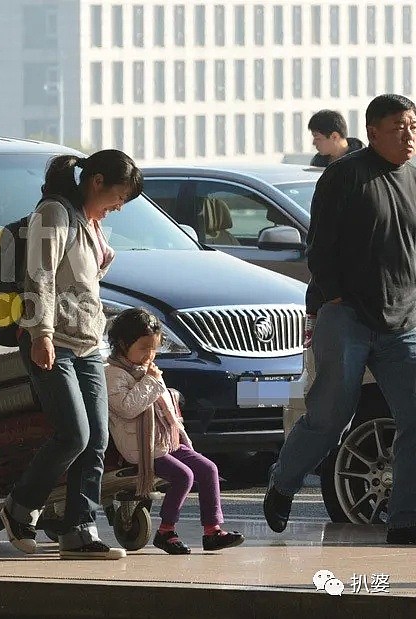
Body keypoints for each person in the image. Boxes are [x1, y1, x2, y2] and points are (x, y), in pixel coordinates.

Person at [265, 94, 416, 545]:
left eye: (413, 126)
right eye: (398, 127)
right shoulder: (345, 175)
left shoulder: (413, 176)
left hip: (403, 320)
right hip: (346, 314)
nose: (408, 135)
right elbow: (321, 245)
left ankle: (404, 517)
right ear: (371, 132)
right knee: (330, 417)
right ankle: (283, 483)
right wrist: (330, 296)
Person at [0, 149, 142, 560]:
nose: (119, 206)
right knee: (73, 435)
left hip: (88, 343)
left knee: (96, 438)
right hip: (53, 341)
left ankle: (79, 530)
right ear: (95, 181)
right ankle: (20, 506)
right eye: (118, 196)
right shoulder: (53, 213)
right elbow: (39, 275)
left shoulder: (88, 221)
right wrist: (40, 332)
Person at [105, 308, 244, 555]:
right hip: (141, 446)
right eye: (143, 348)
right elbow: (127, 408)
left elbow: (164, 406)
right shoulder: (113, 373)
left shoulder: (144, 371)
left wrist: (179, 433)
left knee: (208, 469)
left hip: (164, 441)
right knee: (184, 476)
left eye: (154, 349)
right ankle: (166, 531)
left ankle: (212, 530)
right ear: (123, 344)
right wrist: (151, 382)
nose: (149, 355)